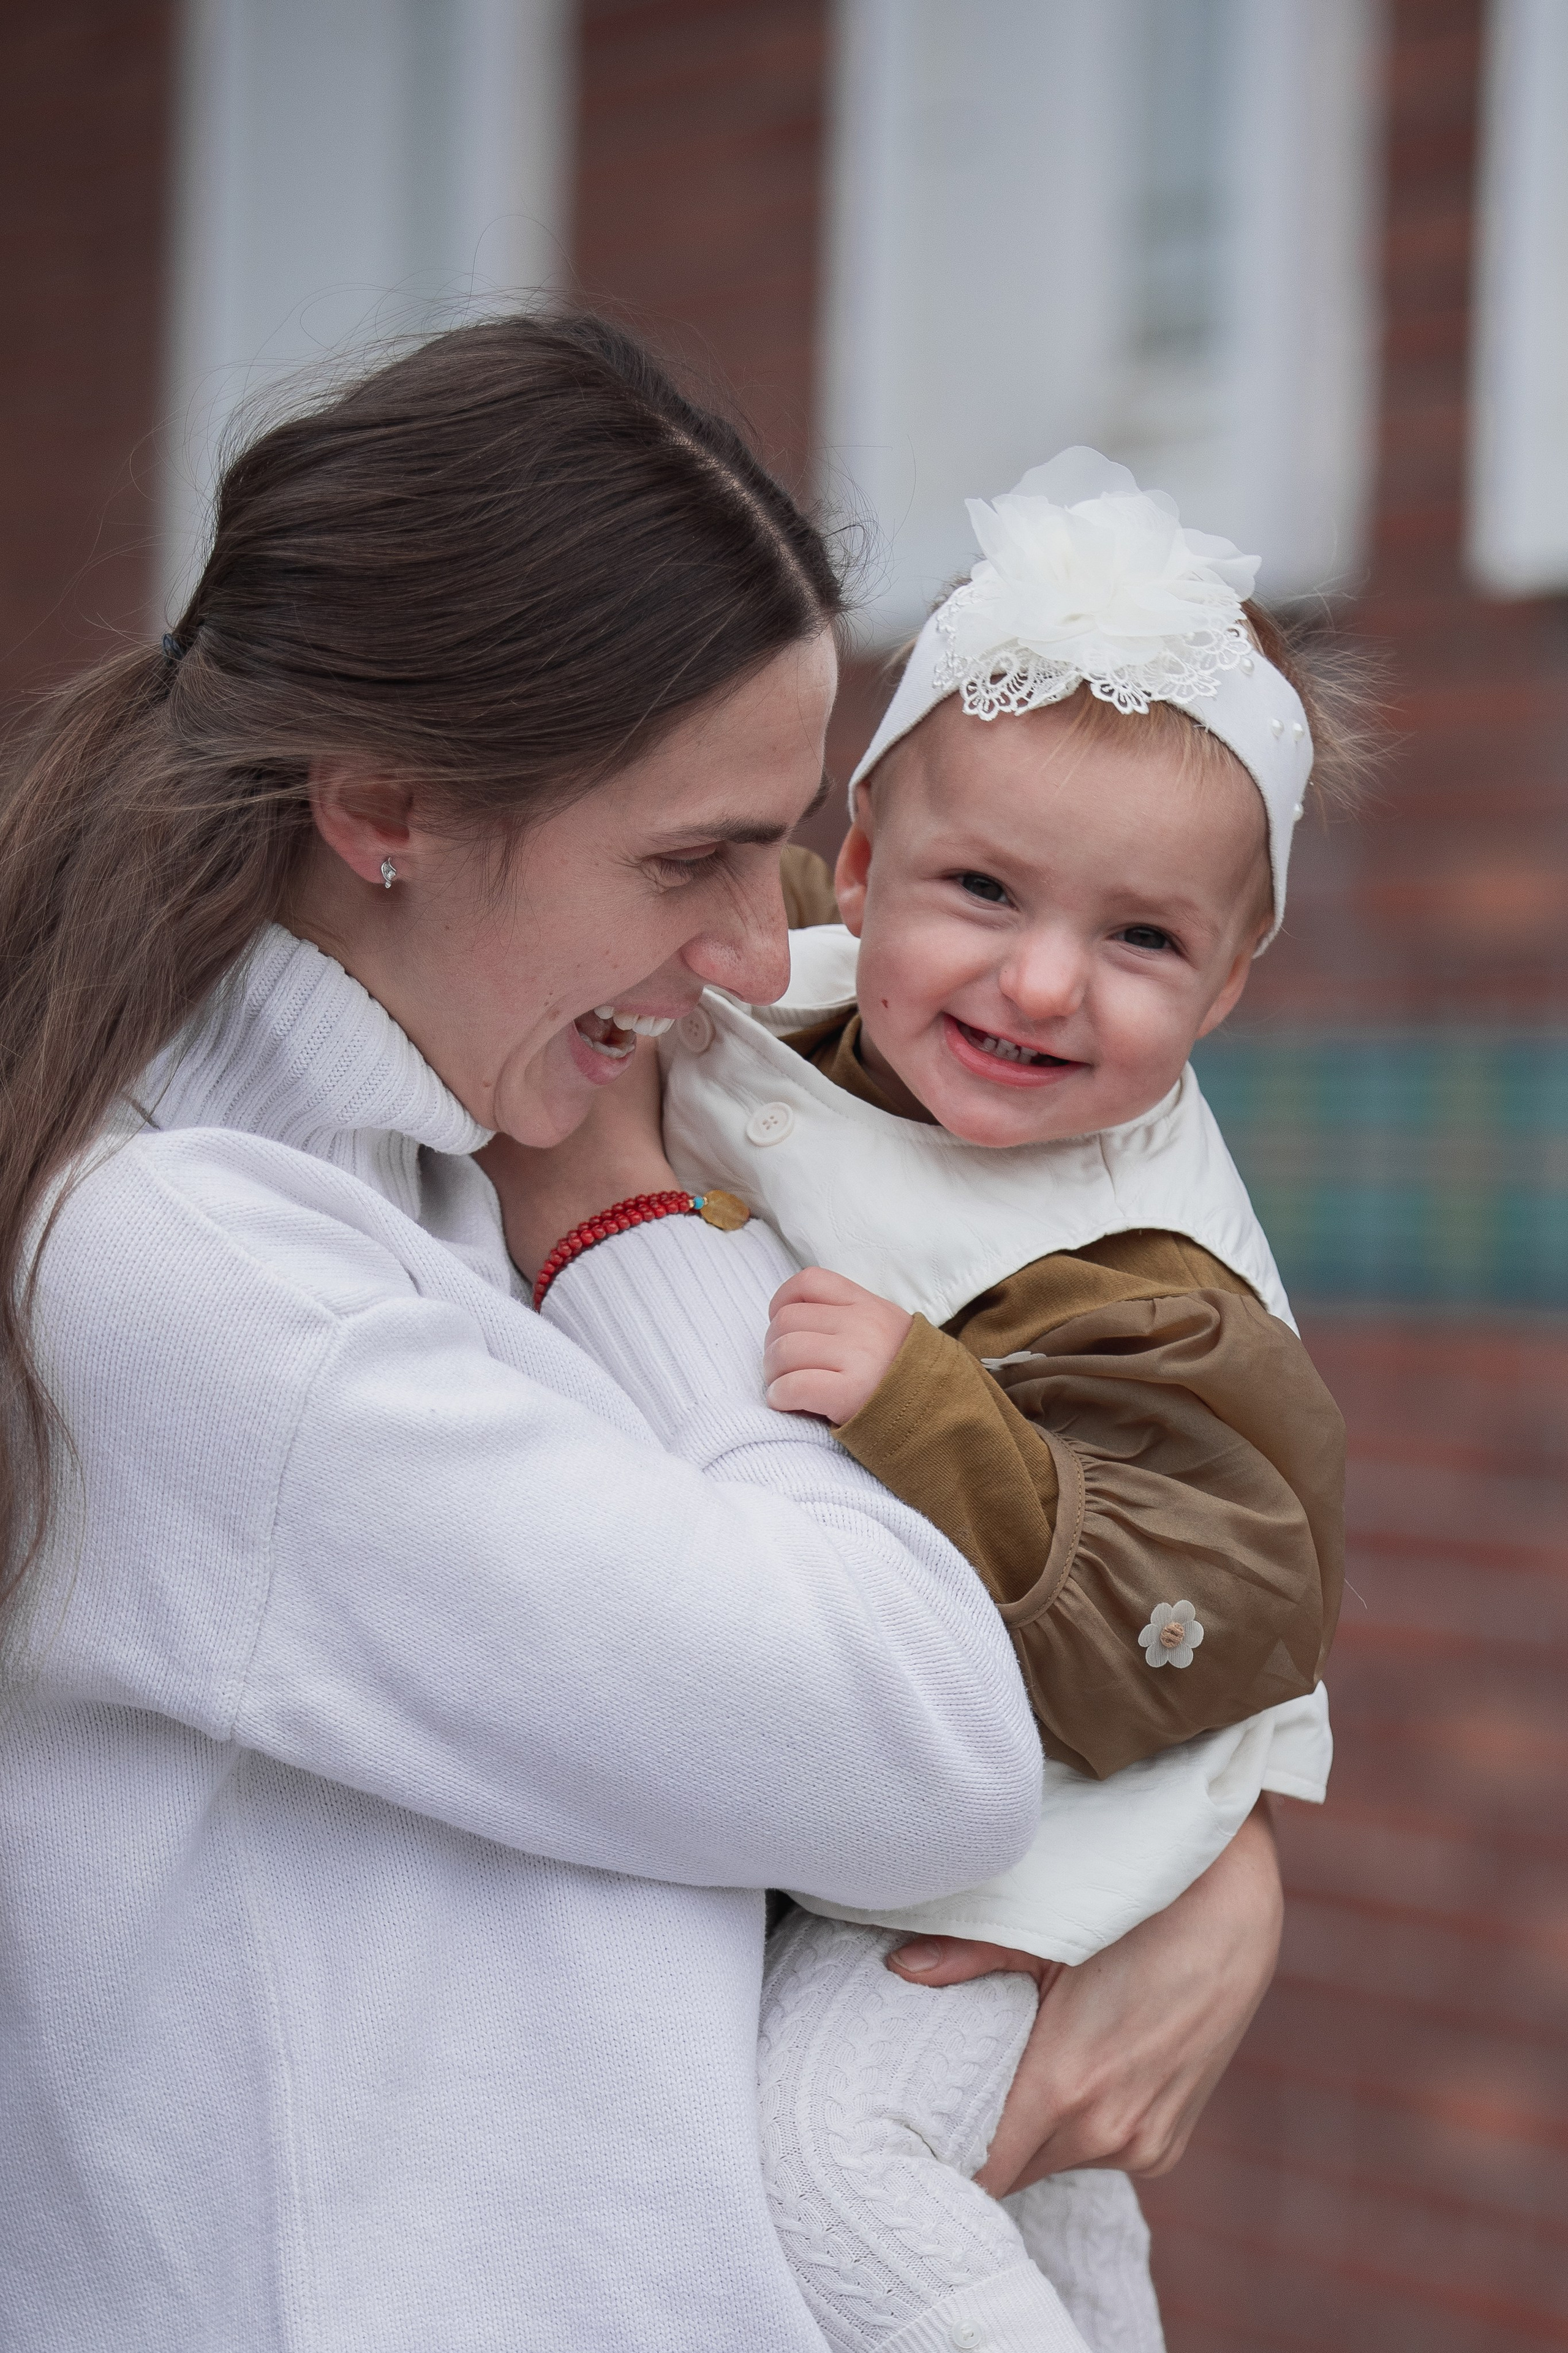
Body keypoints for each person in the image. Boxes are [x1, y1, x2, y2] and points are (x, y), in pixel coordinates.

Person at [0, 323, 1283, 2353]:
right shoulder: (203, 1278)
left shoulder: (452, 1148)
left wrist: (1214, 1864)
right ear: (386, 802)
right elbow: (915, 1740)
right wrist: (624, 1226)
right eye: (690, 859)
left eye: (776, 846)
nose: (765, 953)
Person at [655, 451, 1357, 2353]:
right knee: (1056, 2228)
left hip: (1042, 1844)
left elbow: (1226, 1591)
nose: (1042, 982)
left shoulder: (1154, 1276)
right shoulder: (794, 988)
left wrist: (934, 1408)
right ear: (858, 871)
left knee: (832, 2154)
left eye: (1143, 939)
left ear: (1228, 984)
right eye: (982, 888)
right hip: (874, 1804)